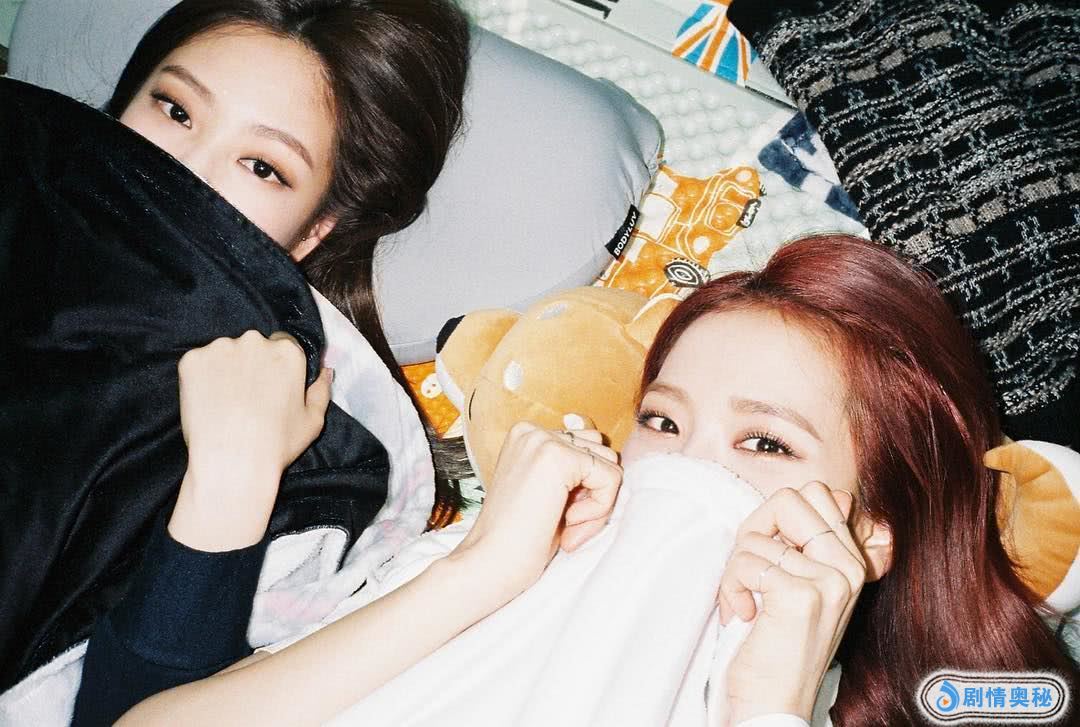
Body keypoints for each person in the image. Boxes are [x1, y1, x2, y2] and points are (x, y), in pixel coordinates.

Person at [75, 233, 1079, 725]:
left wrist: (764, 703)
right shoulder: (491, 565)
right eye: (662, 421)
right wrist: (476, 573)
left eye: (765, 445)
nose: (682, 470)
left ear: (869, 535)